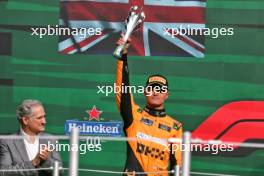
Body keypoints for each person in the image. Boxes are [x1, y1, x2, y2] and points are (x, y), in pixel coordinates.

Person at [115, 36, 183, 176]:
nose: (156, 92)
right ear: (145, 92)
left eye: (160, 89)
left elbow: (178, 165)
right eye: (152, 88)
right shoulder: (134, 115)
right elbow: (123, 90)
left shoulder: (175, 127)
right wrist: (123, 57)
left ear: (167, 94)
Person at [0, 99, 62, 176]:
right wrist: (33, 163)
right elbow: (3, 172)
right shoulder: (7, 142)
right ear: (25, 120)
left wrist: (46, 161)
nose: (44, 121)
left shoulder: (51, 139)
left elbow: (60, 172)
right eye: (39, 118)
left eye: (44, 117)